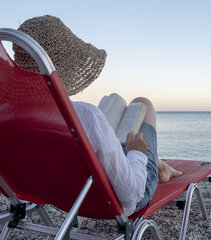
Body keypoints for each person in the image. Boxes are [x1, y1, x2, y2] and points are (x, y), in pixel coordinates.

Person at [13, 15, 182, 216]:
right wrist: (137, 153)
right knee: (142, 103)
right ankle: (159, 167)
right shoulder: (85, 116)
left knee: (112, 139)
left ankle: (161, 166)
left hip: (57, 195)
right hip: (107, 202)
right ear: (67, 68)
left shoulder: (11, 116)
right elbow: (131, 194)